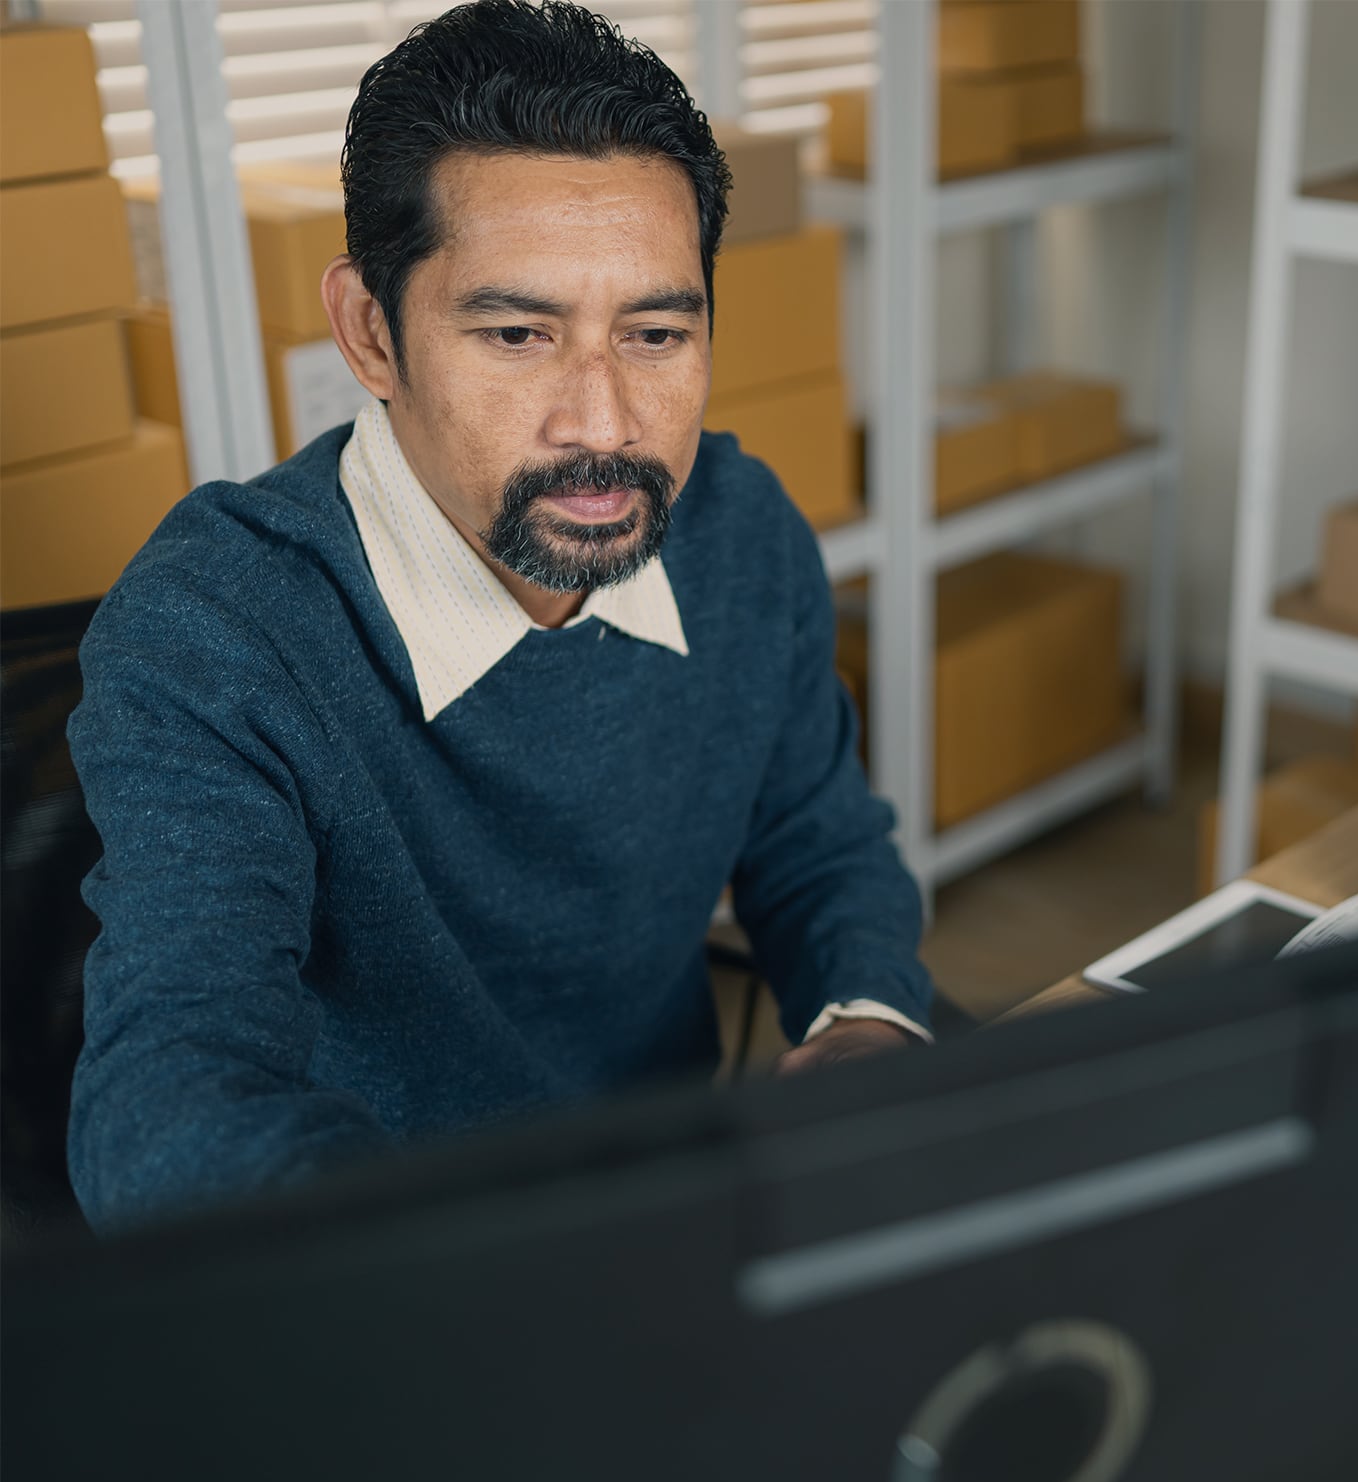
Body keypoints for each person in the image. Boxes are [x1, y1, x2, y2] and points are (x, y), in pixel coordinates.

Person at [65, 0, 931, 1233]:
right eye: (518, 333)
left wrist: (866, 1017)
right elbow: (165, 1096)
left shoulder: (740, 534)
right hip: (382, 1287)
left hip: (674, 1221)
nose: (603, 423)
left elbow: (821, 847)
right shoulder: (217, 630)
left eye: (656, 332)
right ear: (372, 331)